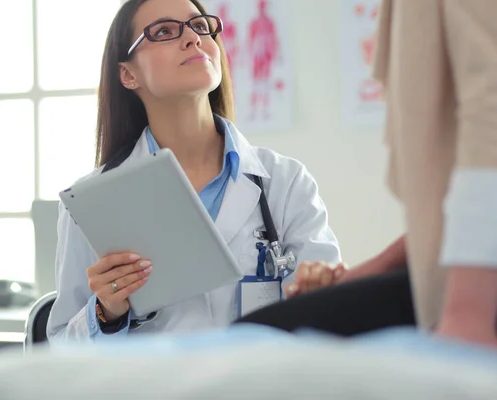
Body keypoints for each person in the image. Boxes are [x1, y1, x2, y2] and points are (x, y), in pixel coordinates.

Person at [46, 0, 341, 341]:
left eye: (200, 26)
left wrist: (320, 292)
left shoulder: (286, 183)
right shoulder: (92, 203)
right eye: (164, 31)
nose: (192, 38)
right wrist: (107, 313)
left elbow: (329, 318)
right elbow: (61, 346)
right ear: (128, 74)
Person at [237, 0, 497, 349]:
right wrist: (378, 265)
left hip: (474, 285)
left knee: (263, 338)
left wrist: (469, 312)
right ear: (133, 76)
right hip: (442, 262)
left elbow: (489, 107)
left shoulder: (282, 175)